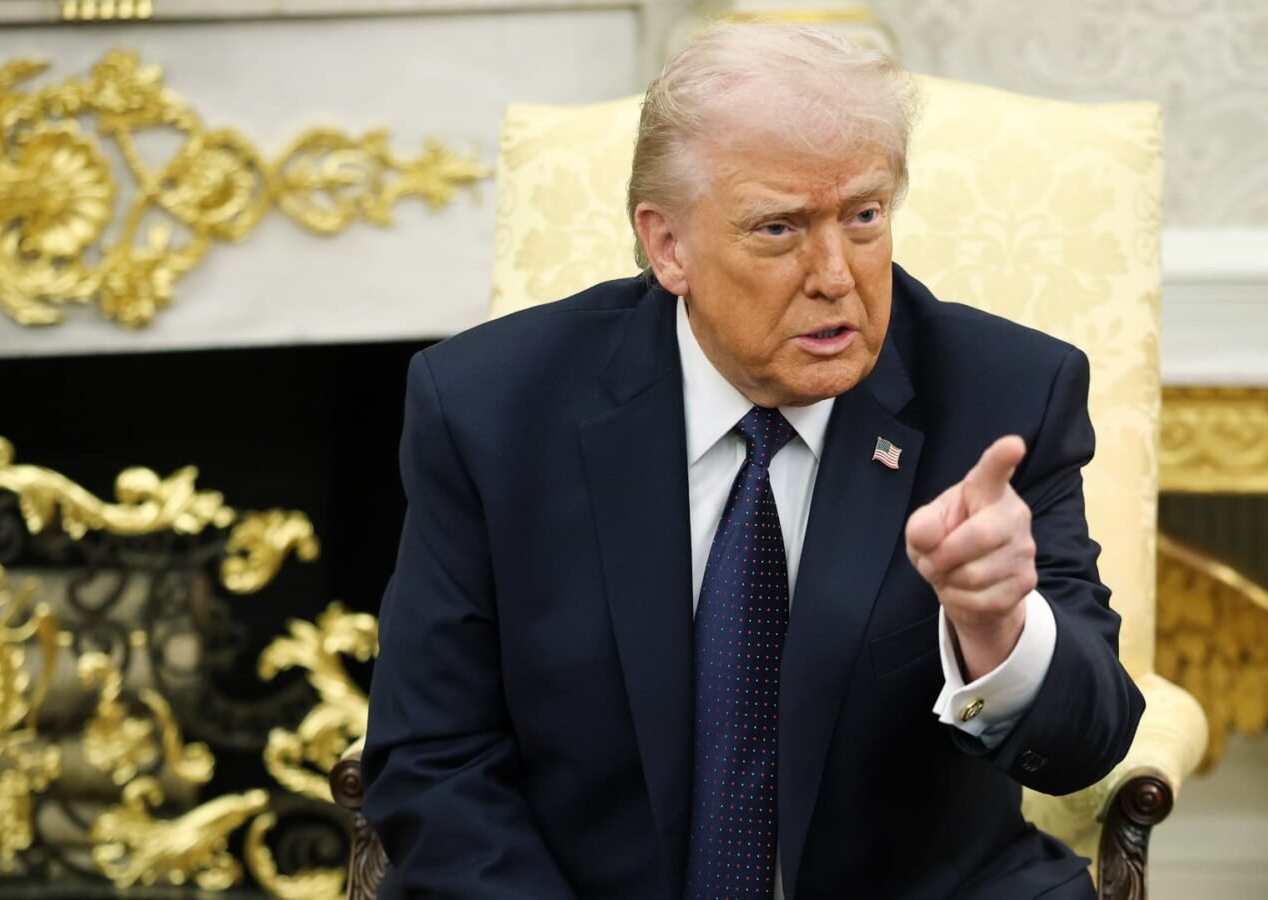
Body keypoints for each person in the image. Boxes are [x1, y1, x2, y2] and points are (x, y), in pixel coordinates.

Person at [363, 22, 1143, 900]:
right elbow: (434, 757)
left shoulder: (1001, 398)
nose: (836, 275)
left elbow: (1087, 745)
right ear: (668, 246)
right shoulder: (489, 408)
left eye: (863, 216)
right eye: (779, 228)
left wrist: (998, 628)